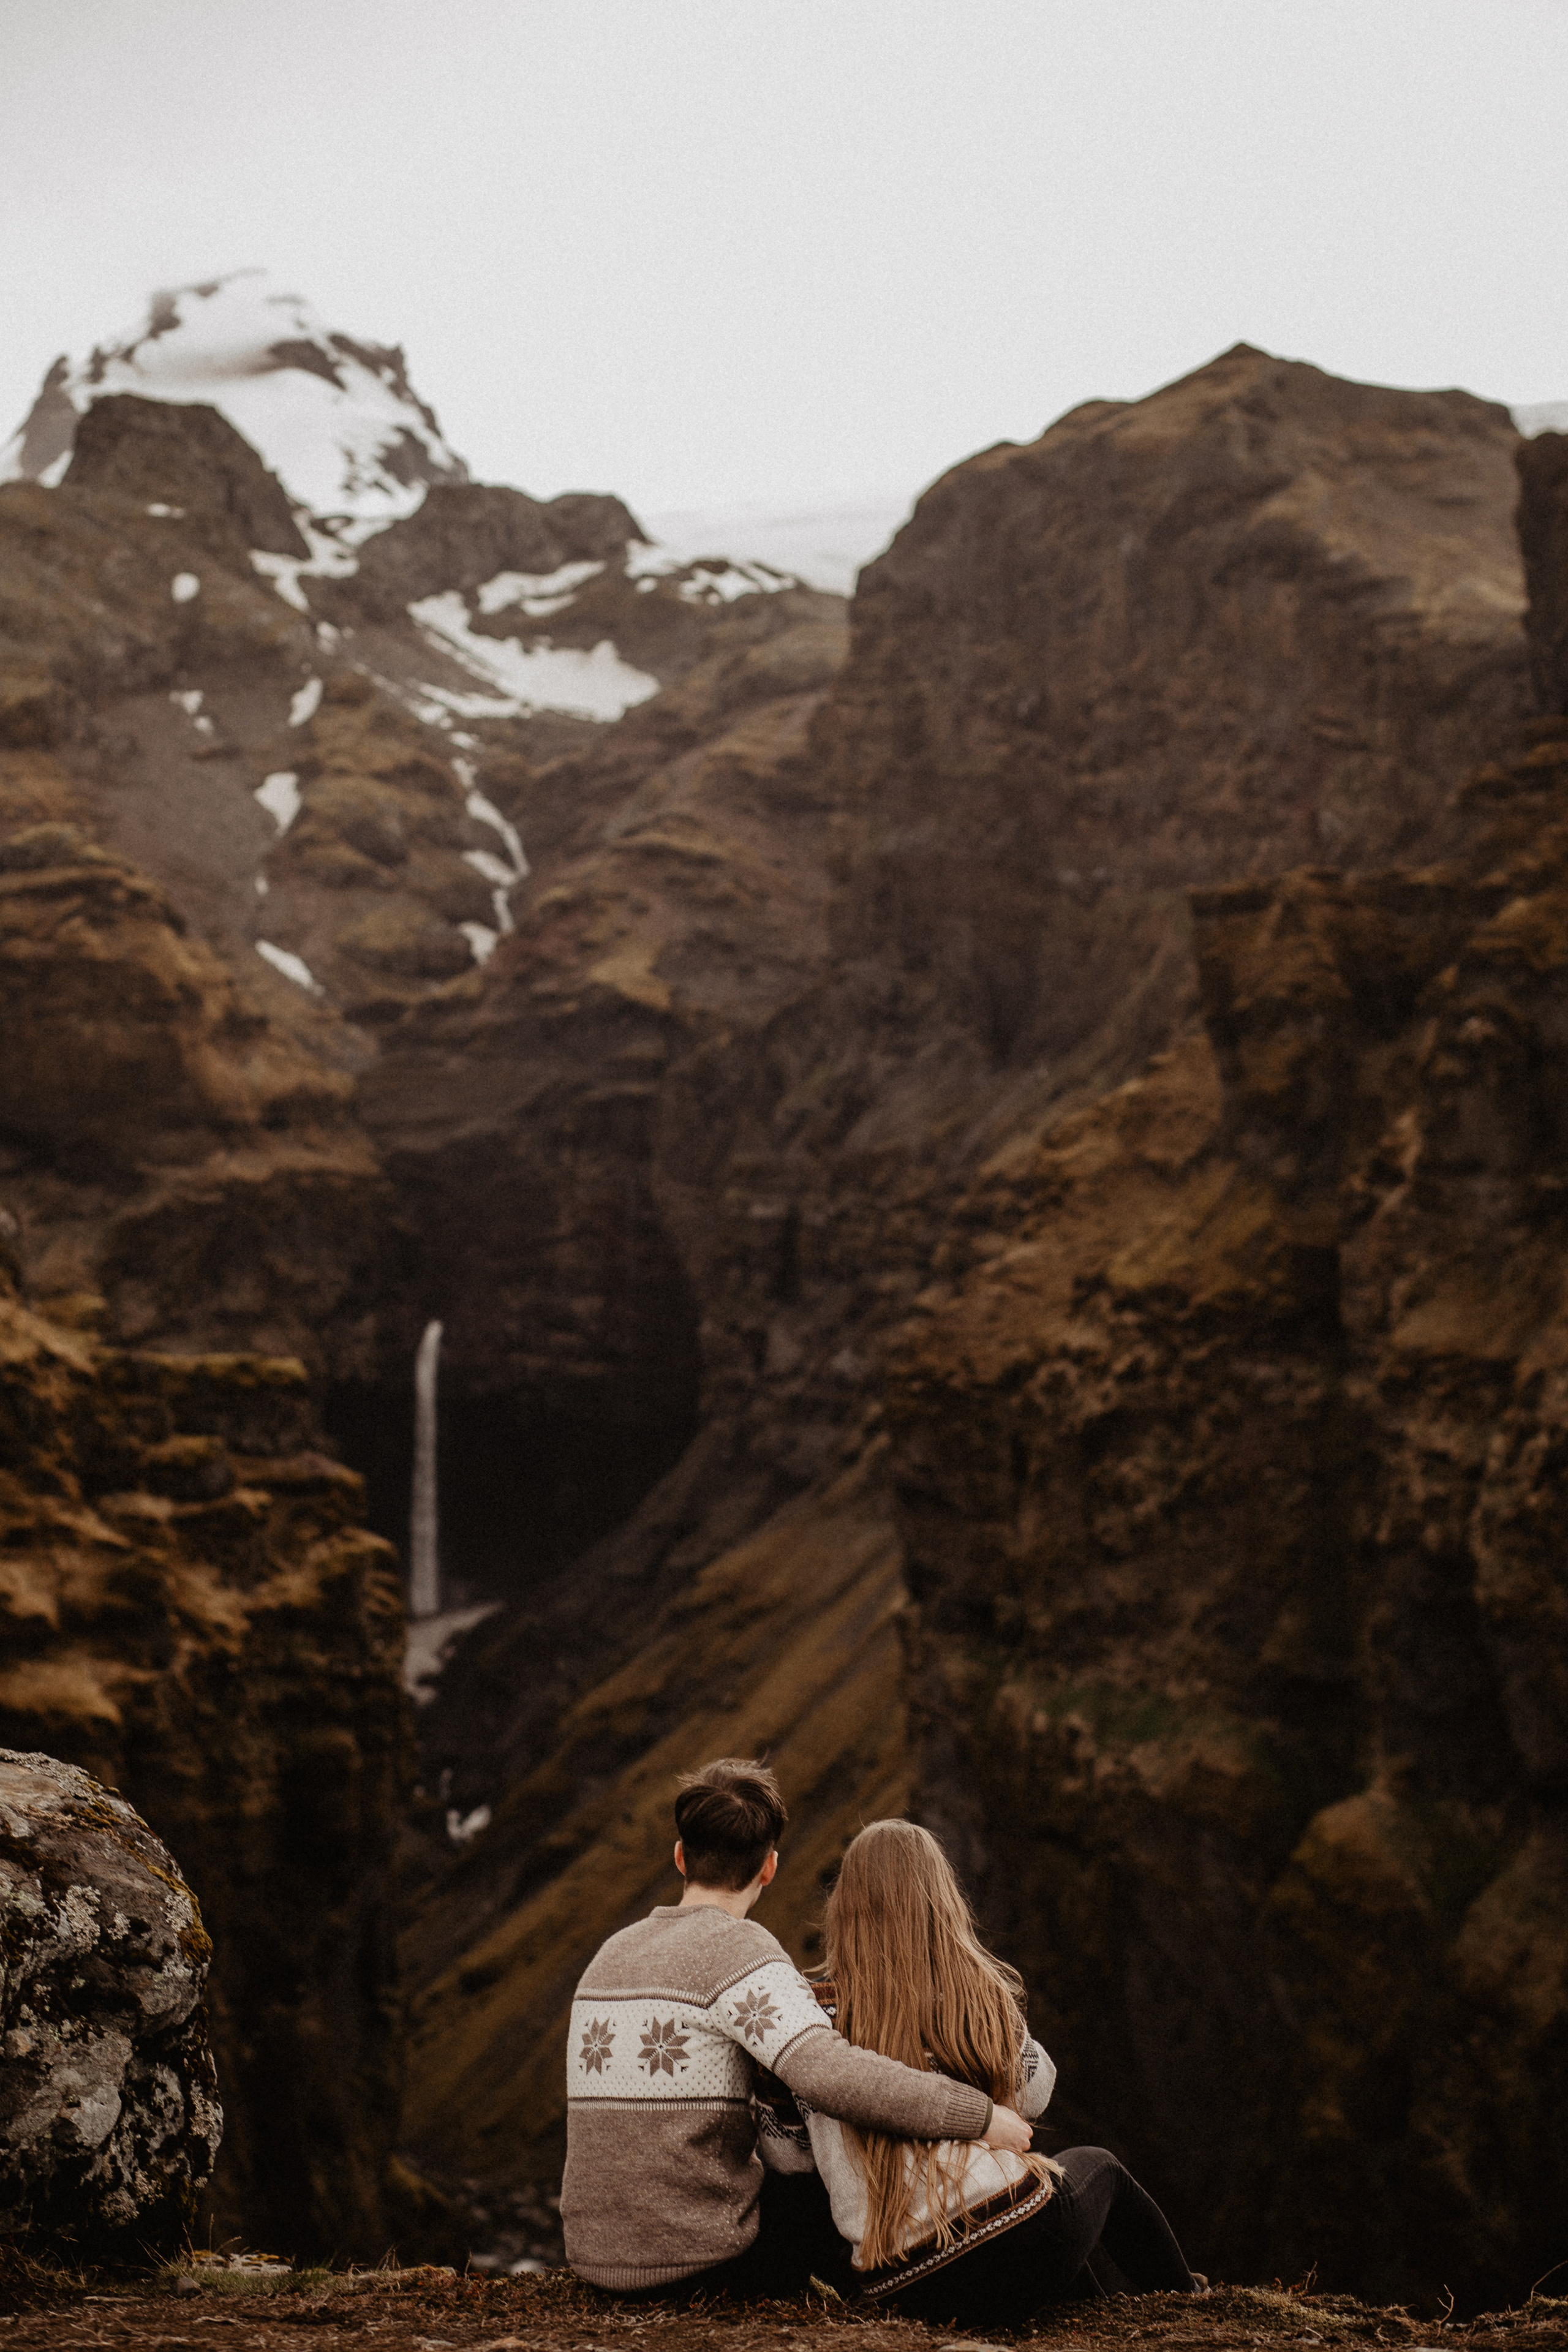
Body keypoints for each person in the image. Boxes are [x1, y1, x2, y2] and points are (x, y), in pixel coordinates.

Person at [559, 1758, 1035, 2296]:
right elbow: (831, 2076)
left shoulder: (610, 1954)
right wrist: (978, 2117)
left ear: (680, 1857)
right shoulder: (741, 1955)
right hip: (701, 2267)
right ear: (769, 1868)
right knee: (816, 2174)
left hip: (596, 2261)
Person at [761, 1818, 1197, 2327]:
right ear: (940, 1900)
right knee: (1100, 2169)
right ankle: (1191, 2299)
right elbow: (1035, 2092)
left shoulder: (810, 2020)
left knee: (1044, 2238)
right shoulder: (970, 1995)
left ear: (845, 1909)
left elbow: (787, 2157)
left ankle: (1097, 2316)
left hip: (901, 2283)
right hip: (1010, 2238)